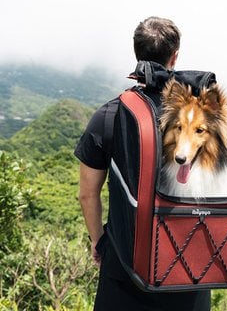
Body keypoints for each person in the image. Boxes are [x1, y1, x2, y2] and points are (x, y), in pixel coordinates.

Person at [75, 17, 211, 311]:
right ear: (175, 56)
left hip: (125, 267)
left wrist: (100, 244)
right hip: (189, 270)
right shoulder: (202, 119)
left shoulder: (110, 115)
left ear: (136, 54)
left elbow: (87, 194)